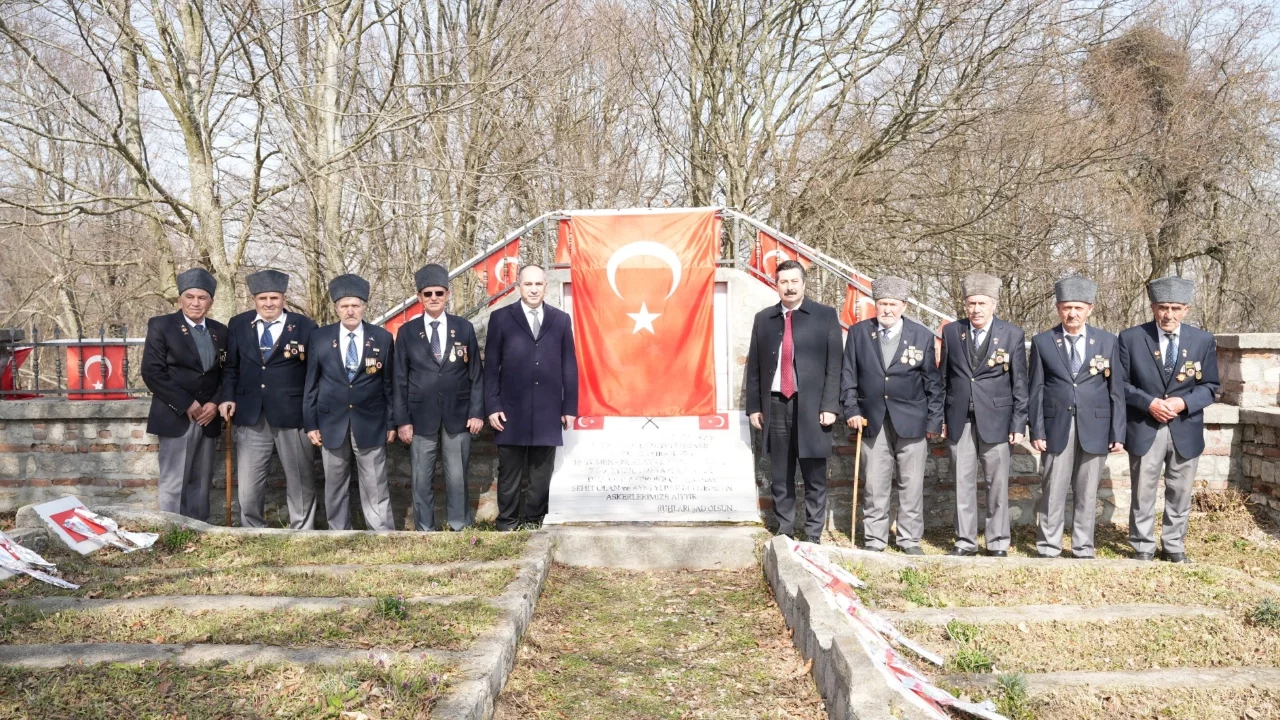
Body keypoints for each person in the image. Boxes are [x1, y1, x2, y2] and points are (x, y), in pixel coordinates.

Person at [1118, 276, 1220, 563]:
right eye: (1163, 307)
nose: (1169, 314)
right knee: (1143, 489)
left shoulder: (1203, 340)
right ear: (1153, 307)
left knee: (1180, 489)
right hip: (1145, 425)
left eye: (1176, 308)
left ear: (1186, 309)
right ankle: (1142, 545)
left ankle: (1174, 545)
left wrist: (1183, 402)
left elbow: (1211, 386)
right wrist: (1149, 403)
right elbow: (1121, 384)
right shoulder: (1131, 338)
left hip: (1184, 427)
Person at [841, 275, 943, 555]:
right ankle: (875, 538)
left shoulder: (921, 335)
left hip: (913, 420)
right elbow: (848, 375)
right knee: (874, 482)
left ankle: (909, 539)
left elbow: (933, 382)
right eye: (882, 303)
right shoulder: (859, 333)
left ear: (903, 305)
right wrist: (851, 409)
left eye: (893, 304)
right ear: (876, 304)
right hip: (872, 420)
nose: (887, 309)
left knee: (911, 483)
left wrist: (934, 420)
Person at [1028, 275, 1125, 559]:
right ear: (1058, 308)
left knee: (1086, 491)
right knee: (1053, 488)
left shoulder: (1107, 342)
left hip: (1096, 426)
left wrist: (1118, 433)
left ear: (1090, 309)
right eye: (1066, 307)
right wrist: (1036, 430)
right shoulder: (1043, 342)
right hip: (1055, 425)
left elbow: (1116, 390)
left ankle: (1083, 547)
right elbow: (1035, 390)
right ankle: (1048, 546)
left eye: (1078, 308)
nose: (1072, 313)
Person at [745, 260, 842, 543]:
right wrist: (754, 406)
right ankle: (785, 527)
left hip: (812, 407)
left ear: (803, 284)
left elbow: (835, 365)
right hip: (775, 405)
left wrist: (829, 406)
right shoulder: (764, 319)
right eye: (783, 282)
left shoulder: (825, 316)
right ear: (776, 285)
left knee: (814, 473)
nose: (789, 287)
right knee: (780, 472)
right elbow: (755, 368)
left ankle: (813, 532)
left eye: (794, 282)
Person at [218, 269, 318, 529]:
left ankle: (302, 531)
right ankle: (253, 529)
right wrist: (227, 397)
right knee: (249, 484)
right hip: (251, 414)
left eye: (274, 298)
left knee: (300, 479)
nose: (268, 303)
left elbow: (313, 373)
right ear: (254, 300)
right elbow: (231, 368)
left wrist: (312, 412)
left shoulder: (305, 326)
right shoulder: (239, 324)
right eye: (263, 298)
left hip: (292, 414)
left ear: (284, 298)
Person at [938, 273, 1028, 557]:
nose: (976, 309)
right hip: (959, 418)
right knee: (962, 482)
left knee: (997, 483)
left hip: (998, 420)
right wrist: (939, 418)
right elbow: (944, 378)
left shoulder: (1013, 334)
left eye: (982, 303)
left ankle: (998, 541)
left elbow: (1020, 384)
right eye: (971, 303)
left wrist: (1018, 421)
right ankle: (965, 541)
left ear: (994, 304)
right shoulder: (952, 332)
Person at [484, 265, 578, 530]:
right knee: (509, 472)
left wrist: (569, 406)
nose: (534, 289)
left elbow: (569, 365)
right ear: (518, 286)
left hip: (548, 409)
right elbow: (490, 368)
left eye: (538, 284)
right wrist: (492, 405)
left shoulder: (560, 320)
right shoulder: (501, 318)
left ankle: (535, 521)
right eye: (528, 284)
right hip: (510, 410)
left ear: (546, 286)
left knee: (541, 472)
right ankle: (508, 523)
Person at [393, 263, 484, 531]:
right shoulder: (408, 332)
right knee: (421, 477)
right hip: (419, 418)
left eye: (439, 293)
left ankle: (458, 527)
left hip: (458, 415)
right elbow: (399, 379)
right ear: (419, 297)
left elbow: (476, 374)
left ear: (448, 294)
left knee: (457, 477)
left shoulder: (463, 328)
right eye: (428, 293)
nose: (434, 298)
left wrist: (477, 412)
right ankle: (425, 529)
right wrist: (402, 421)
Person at [304, 274, 397, 531]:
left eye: (355, 305)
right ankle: (338, 533)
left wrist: (392, 422)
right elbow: (311, 384)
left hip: (371, 421)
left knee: (376, 483)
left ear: (364, 306)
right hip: (330, 422)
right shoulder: (320, 338)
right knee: (334, 483)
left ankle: (382, 533)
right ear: (336, 308)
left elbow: (389, 384)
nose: (350, 311)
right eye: (344, 306)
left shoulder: (382, 338)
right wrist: (310, 423)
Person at [141, 268, 228, 522]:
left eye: (202, 298)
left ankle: (199, 534)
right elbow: (152, 372)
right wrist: (186, 402)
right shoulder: (162, 326)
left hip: (208, 418)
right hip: (175, 415)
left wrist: (215, 402)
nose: (195, 303)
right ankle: (172, 533)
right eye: (190, 296)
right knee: (174, 481)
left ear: (210, 302)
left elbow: (228, 372)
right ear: (180, 299)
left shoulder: (220, 331)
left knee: (201, 483)